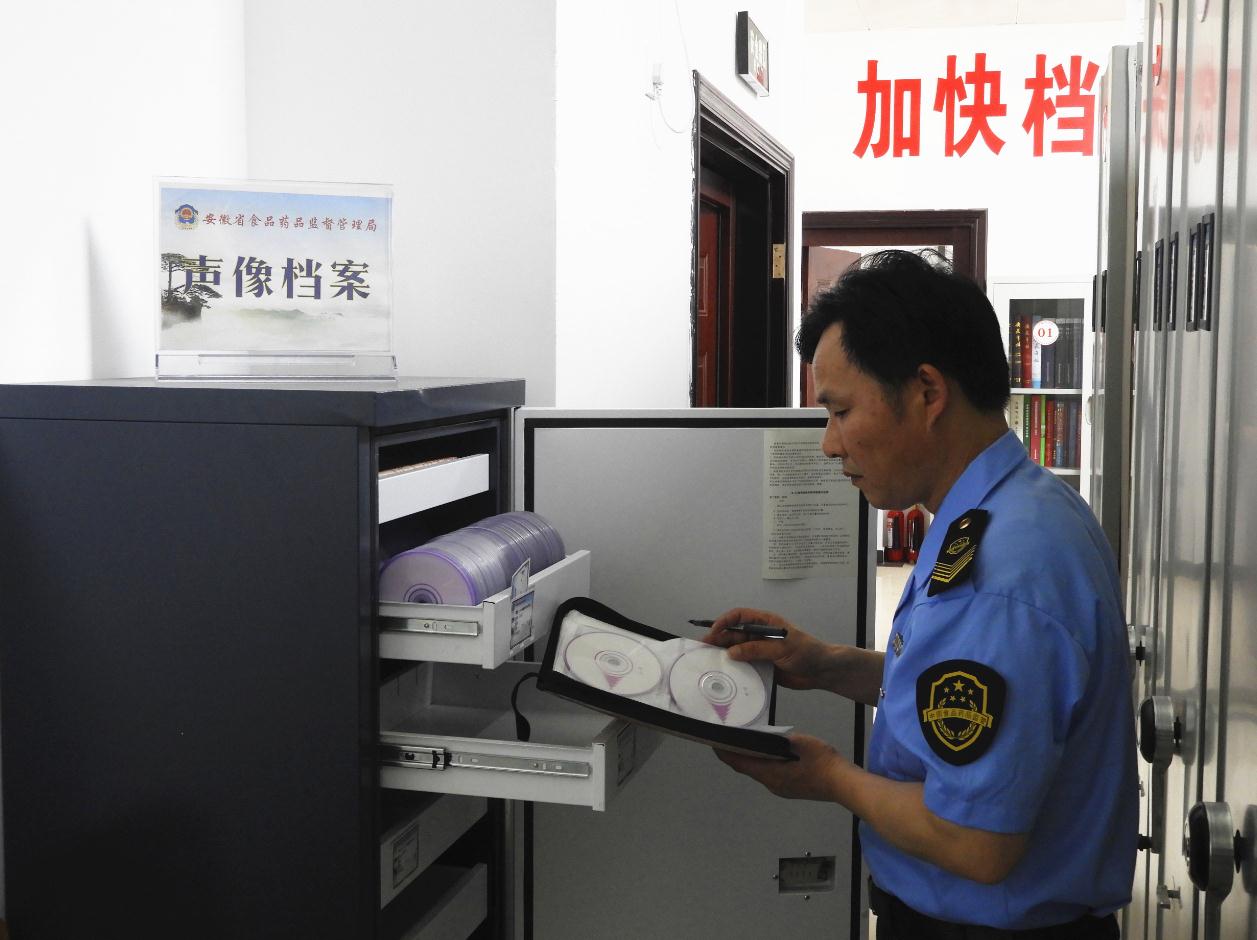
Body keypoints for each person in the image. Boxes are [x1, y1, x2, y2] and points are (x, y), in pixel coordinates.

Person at [703, 250, 1137, 939]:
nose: (829, 445)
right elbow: (978, 703)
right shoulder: (1020, 505)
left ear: (927, 393)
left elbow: (975, 842)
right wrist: (826, 664)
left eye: (841, 411)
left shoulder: (998, 572)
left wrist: (828, 776)